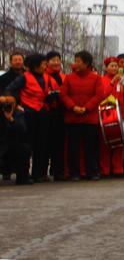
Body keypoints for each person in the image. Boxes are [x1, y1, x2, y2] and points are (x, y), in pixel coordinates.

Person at [60, 51, 104, 180]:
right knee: (73, 147)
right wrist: (73, 107)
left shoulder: (96, 78)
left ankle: (92, 171)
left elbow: (99, 95)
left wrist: (86, 108)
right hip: (73, 118)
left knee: (91, 146)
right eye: (76, 61)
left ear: (86, 63)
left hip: (90, 118)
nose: (76, 63)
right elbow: (63, 95)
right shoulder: (69, 78)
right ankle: (74, 172)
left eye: (78, 61)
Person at [8, 53, 50, 182]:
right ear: (36, 65)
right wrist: (17, 104)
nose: (45, 66)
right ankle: (24, 174)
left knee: (41, 144)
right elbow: (10, 90)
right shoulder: (24, 77)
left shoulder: (45, 77)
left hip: (42, 113)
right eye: (43, 64)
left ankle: (38, 173)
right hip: (28, 113)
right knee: (28, 144)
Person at [99, 57, 124, 177]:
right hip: (107, 114)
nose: (114, 68)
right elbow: (103, 94)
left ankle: (118, 169)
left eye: (116, 66)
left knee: (120, 143)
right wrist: (112, 82)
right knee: (105, 143)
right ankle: (105, 170)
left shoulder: (123, 78)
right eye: (111, 66)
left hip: (121, 113)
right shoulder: (102, 79)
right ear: (106, 68)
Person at [45, 51, 67, 181]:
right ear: (47, 62)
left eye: (58, 60)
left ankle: (58, 170)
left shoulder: (64, 76)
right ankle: (42, 171)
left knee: (60, 143)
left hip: (62, 112)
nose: (56, 62)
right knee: (47, 143)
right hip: (49, 113)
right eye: (53, 60)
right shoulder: (44, 76)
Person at [0, 94, 31, 185]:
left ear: (15, 104)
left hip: (11, 145)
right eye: (6, 103)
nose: (8, 106)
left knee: (25, 149)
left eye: (11, 103)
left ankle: (23, 178)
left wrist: (11, 119)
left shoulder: (18, 113)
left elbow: (22, 130)